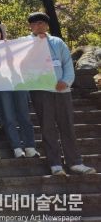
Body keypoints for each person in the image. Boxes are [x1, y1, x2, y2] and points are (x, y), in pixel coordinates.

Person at [26, 12, 96, 175]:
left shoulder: (57, 42)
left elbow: (67, 64)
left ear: (47, 25)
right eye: (35, 23)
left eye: (42, 23)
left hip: (62, 90)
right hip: (41, 91)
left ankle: (75, 162)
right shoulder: (26, 44)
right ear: (30, 26)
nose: (38, 26)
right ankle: (55, 163)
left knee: (67, 126)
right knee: (47, 127)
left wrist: (66, 81)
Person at [0, 24, 38, 159]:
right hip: (1, 85)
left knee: (24, 116)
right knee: (8, 117)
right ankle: (16, 147)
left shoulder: (12, 45)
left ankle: (30, 146)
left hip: (18, 83)